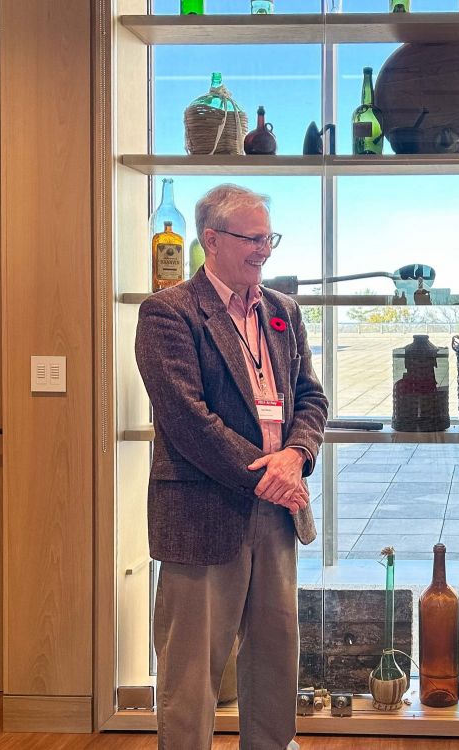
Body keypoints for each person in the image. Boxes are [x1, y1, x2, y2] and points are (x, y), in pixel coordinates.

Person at [136, 184, 327, 750]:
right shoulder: (167, 313)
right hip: (203, 515)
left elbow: (310, 399)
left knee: (274, 657)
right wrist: (268, 476)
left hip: (277, 511)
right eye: (252, 238)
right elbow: (187, 420)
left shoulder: (283, 312)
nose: (264, 249)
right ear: (211, 241)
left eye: (269, 236)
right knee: (191, 674)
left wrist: (295, 457)